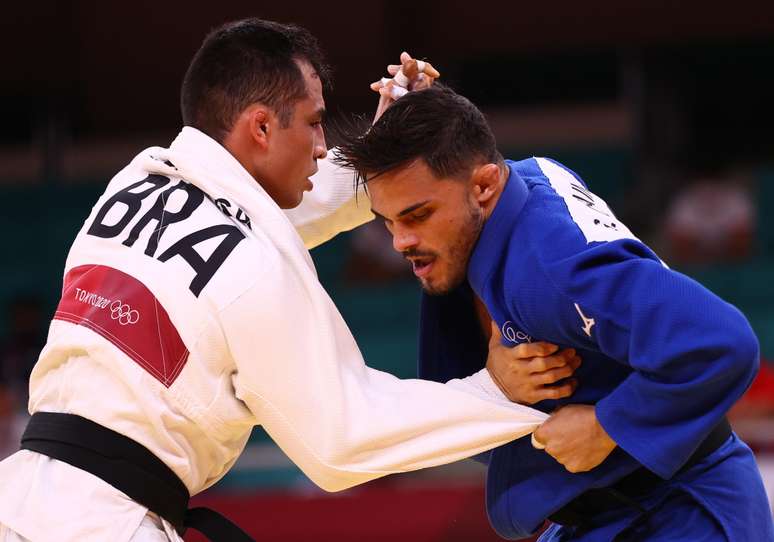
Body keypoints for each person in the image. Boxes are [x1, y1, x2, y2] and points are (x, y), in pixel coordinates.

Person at [0, 19, 579, 542]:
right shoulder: (251, 266)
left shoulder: (138, 183)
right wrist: (493, 393)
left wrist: (391, 149)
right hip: (105, 525)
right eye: (315, 123)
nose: (324, 145)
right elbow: (342, 437)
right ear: (260, 126)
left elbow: (270, 212)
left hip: (18, 497)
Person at [334, 83, 774, 541]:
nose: (399, 242)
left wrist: (608, 425)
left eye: (417, 215)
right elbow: (466, 155)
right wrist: (430, 114)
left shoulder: (554, 270)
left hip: (679, 511)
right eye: (388, 222)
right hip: (600, 515)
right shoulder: (530, 174)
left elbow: (724, 343)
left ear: (485, 186)